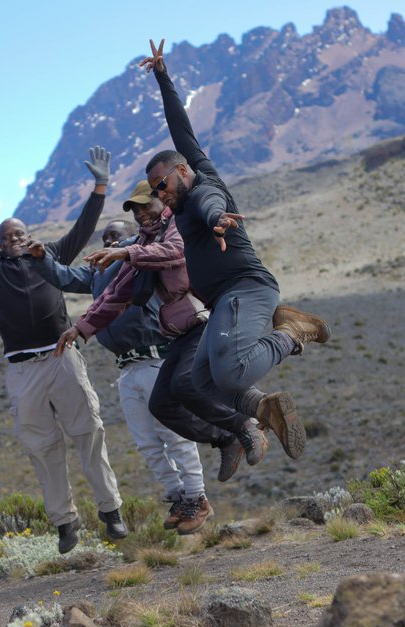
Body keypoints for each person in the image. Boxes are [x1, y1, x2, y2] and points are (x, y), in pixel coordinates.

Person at [140, 39, 331, 459]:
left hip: (246, 288)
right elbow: (181, 130)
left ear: (182, 172)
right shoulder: (196, 167)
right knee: (200, 382)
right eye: (154, 190)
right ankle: (265, 408)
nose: (160, 194)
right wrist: (162, 77)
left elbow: (211, 204)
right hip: (225, 298)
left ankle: (292, 333)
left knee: (232, 370)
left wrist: (216, 220)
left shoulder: (203, 189)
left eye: (163, 185)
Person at [40, 181, 264, 533]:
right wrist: (79, 329)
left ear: (163, 200)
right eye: (136, 208)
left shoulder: (175, 229)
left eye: (147, 205)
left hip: (205, 319)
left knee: (184, 387)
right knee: (163, 407)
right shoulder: (141, 247)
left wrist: (125, 254)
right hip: (174, 336)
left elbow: (175, 252)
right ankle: (224, 442)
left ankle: (242, 427)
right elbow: (115, 296)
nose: (142, 212)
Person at [0, 147, 127, 554]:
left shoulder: (52, 255)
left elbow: (83, 226)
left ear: (29, 235)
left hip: (62, 358)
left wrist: (100, 186)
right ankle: (65, 521)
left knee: (88, 432)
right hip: (23, 370)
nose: (14, 240)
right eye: (6, 237)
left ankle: (111, 512)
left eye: (19, 234)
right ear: (0, 245)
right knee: (42, 447)